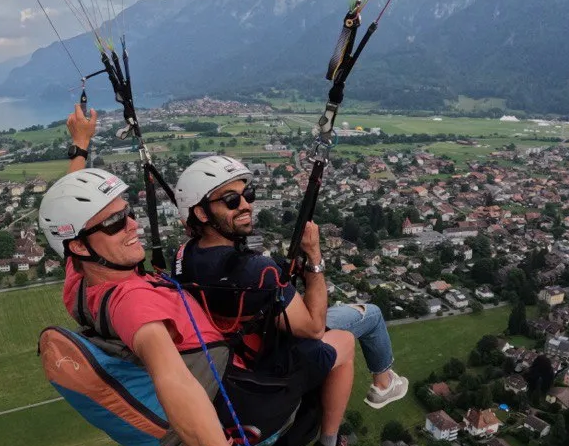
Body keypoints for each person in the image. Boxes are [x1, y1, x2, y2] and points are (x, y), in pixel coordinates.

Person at [41, 161, 326, 446]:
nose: (134, 225)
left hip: (212, 379)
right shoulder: (133, 302)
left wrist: (79, 148)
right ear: (82, 246)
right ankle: (330, 442)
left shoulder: (80, 283)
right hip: (231, 400)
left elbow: (69, 220)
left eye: (127, 213)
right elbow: (171, 377)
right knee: (327, 346)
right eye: (115, 223)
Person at [172, 154, 409, 406]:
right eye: (231, 200)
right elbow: (314, 329)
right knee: (370, 314)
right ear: (201, 212)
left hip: (235, 348)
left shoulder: (184, 255)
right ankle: (382, 385)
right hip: (271, 351)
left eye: (247, 195)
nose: (246, 205)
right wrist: (314, 257)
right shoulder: (258, 271)